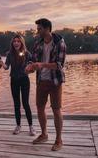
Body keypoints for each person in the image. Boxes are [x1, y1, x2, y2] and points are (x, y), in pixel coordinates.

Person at [25, 18, 66, 151]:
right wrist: (29, 68)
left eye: (39, 29)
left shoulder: (60, 43)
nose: (38, 31)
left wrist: (42, 64)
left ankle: (59, 140)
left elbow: (59, 65)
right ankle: (44, 134)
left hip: (55, 82)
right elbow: (33, 61)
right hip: (41, 81)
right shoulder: (38, 44)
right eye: (37, 29)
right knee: (40, 108)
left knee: (56, 109)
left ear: (47, 28)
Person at [0, 35, 36, 136]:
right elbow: (7, 67)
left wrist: (29, 70)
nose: (16, 43)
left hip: (24, 80)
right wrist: (1, 63)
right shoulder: (10, 54)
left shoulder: (27, 53)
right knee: (16, 104)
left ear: (21, 43)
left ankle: (31, 126)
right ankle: (18, 126)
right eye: (14, 41)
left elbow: (32, 67)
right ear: (12, 43)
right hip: (14, 80)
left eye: (18, 41)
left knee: (25, 103)